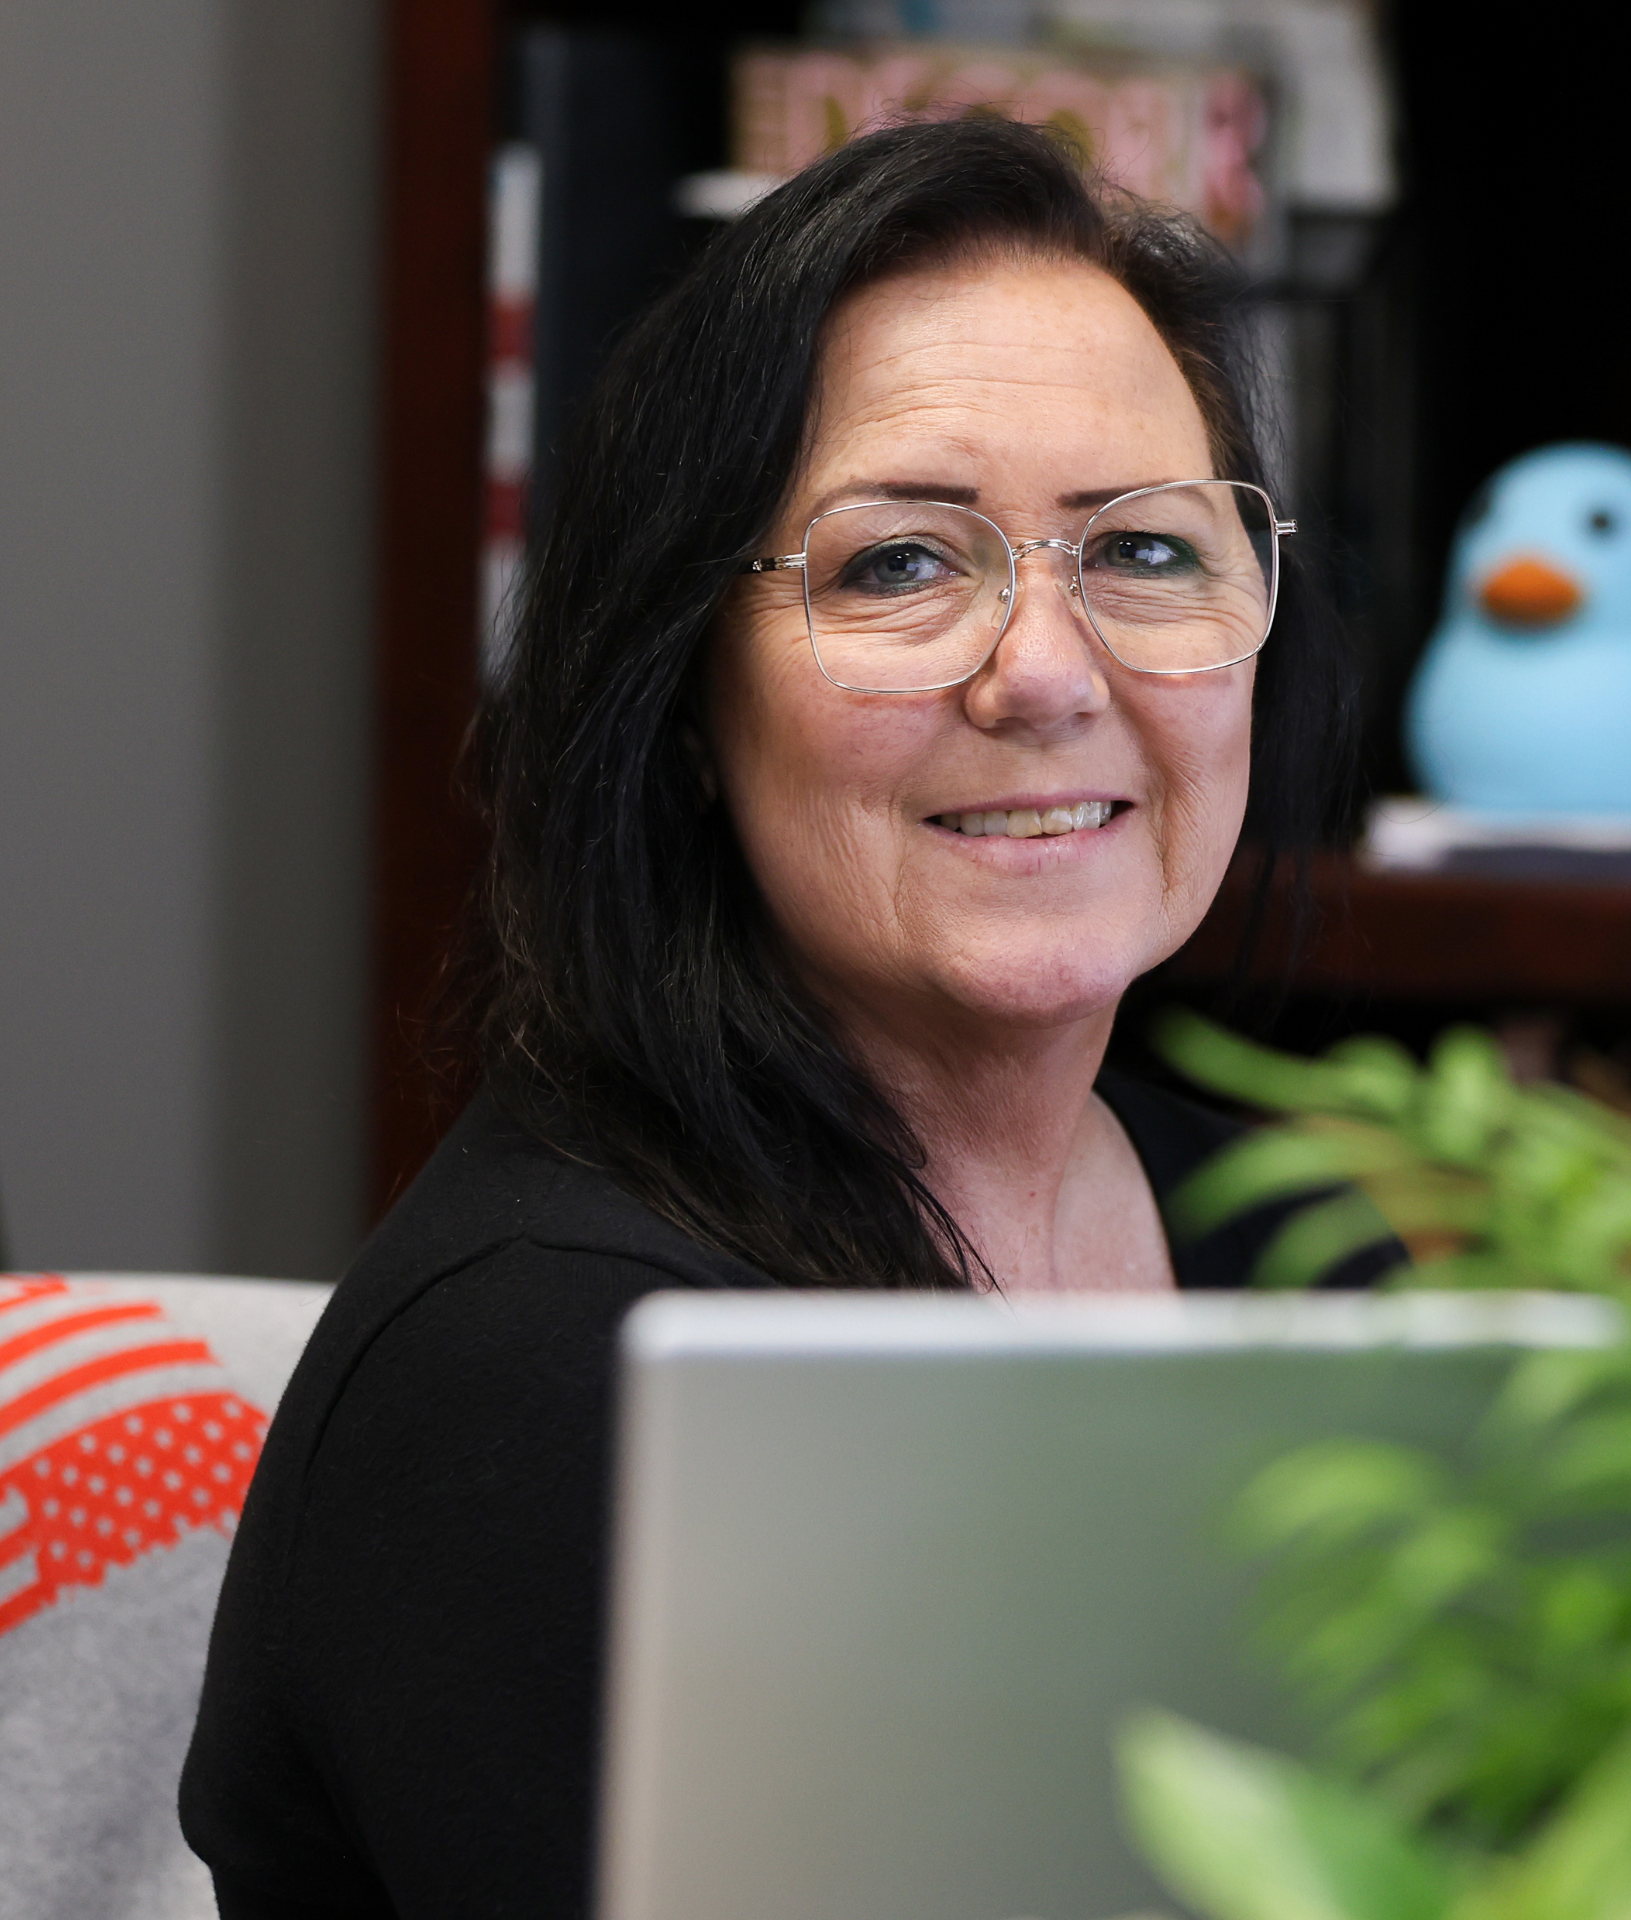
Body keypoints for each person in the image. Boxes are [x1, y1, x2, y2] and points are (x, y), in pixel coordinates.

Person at [180, 117, 1394, 1916]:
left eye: (1144, 551)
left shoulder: (1318, 1254)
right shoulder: (552, 1375)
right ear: (683, 703)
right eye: (899, 564)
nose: (1048, 675)